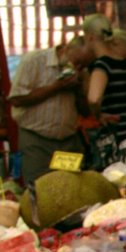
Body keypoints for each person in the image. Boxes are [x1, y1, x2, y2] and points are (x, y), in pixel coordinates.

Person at [8, 36, 93, 185]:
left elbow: (85, 112)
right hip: (37, 142)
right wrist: (57, 86)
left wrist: (79, 90)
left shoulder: (82, 72)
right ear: (66, 48)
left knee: (71, 187)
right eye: (77, 61)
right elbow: (16, 99)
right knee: (39, 188)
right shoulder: (33, 61)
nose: (79, 67)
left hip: (67, 142)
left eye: (83, 65)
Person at [82, 13, 126, 169]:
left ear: (90, 37)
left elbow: (94, 98)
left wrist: (98, 115)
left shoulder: (102, 66)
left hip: (119, 145)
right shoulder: (125, 64)